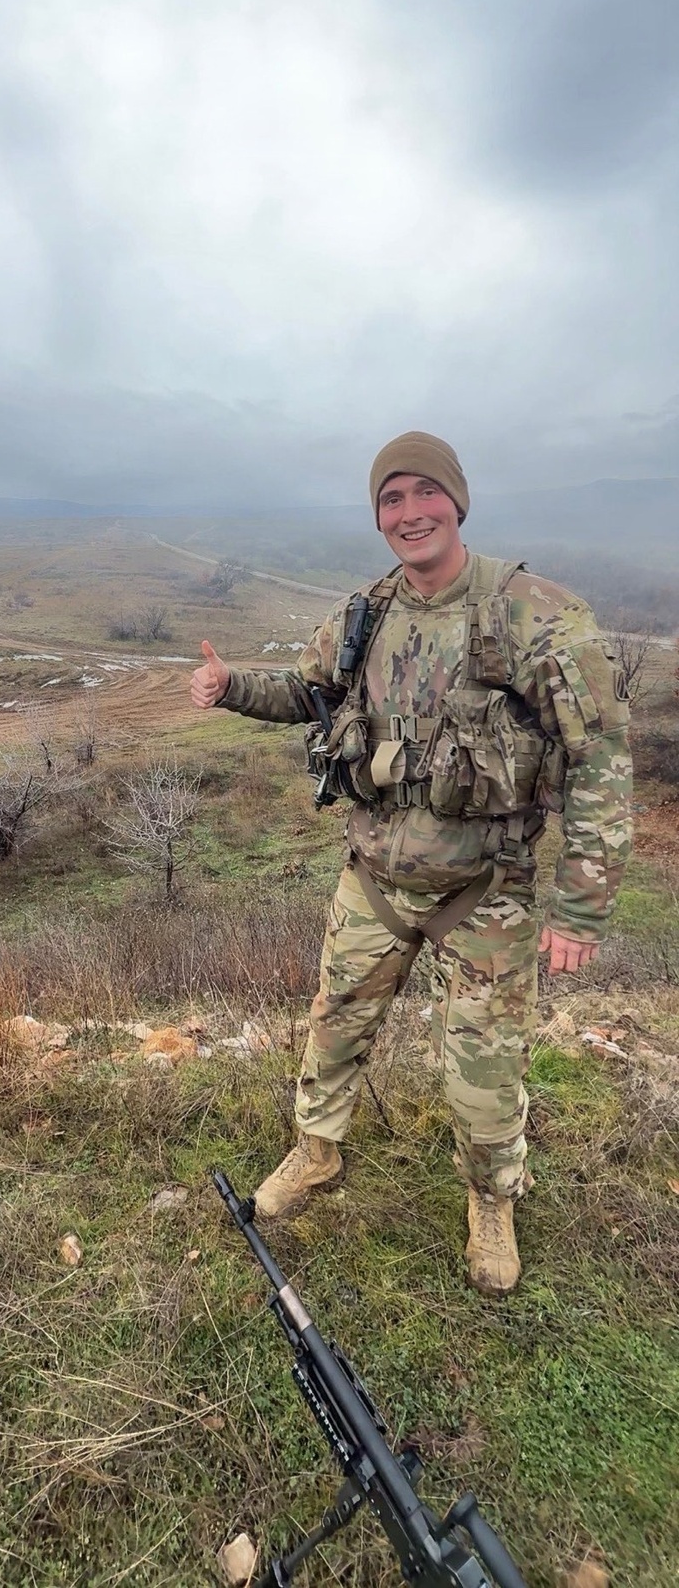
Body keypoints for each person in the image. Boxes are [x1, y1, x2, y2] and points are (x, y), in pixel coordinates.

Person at [190, 431, 632, 1294]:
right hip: (373, 879)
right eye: (390, 500)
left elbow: (603, 757)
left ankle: (493, 1199)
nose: (409, 513)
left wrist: (582, 901)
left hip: (485, 891)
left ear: (457, 502)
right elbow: (308, 691)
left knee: (484, 1071)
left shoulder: (535, 612)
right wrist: (231, 686)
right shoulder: (364, 615)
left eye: (424, 493)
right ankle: (316, 1152)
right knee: (334, 1031)